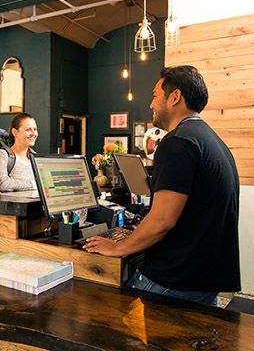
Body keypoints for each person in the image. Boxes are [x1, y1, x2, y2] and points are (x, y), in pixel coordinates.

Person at [84, 65, 241, 306]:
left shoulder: (177, 141)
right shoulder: (211, 140)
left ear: (175, 97)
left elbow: (162, 220)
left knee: (97, 299)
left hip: (175, 279)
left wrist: (119, 246)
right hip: (205, 277)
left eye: (155, 95)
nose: (150, 104)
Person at [0, 113, 38, 192]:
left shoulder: (36, 157)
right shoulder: (3, 154)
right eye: (28, 130)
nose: (33, 134)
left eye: (35, 129)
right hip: (13, 204)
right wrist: (33, 184)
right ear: (15, 132)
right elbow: (2, 184)